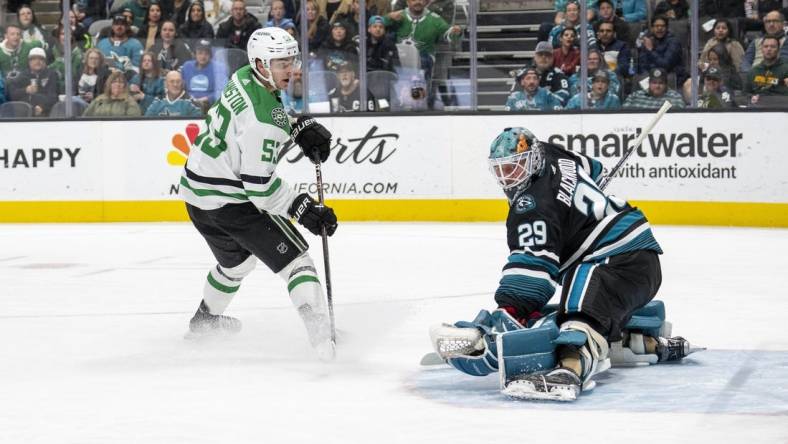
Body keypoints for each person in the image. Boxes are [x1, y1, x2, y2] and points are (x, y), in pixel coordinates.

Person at [429, 127, 693, 401]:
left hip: (615, 260)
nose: (509, 177)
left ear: (532, 159)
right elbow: (596, 169)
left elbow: (532, 275)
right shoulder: (552, 152)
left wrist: (510, 310)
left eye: (515, 168)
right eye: (502, 170)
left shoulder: (532, 206)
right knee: (577, 305)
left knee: (577, 312)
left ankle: (570, 370)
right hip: (638, 260)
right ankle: (640, 343)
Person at [179, 27, 339, 360]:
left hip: (196, 197)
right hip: (230, 202)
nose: (290, 69)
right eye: (281, 63)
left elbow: (261, 113)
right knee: (298, 263)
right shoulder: (265, 122)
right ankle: (323, 339)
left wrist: (297, 126)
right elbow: (260, 189)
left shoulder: (242, 76)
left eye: (291, 61)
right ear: (261, 64)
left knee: (236, 264)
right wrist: (303, 208)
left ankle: (205, 321)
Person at [384, 0, 463, 107]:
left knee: (422, 65)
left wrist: (456, 32)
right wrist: (388, 18)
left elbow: (447, 33)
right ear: (407, 2)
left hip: (423, 64)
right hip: (400, 63)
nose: (418, 2)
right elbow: (377, 26)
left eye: (421, 0)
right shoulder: (399, 16)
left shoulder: (434, 19)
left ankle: (421, 105)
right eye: (414, 0)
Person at [7, 47, 58, 116]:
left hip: (46, 114)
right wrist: (26, 90)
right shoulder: (23, 75)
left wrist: (42, 107)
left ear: (45, 62)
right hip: (24, 115)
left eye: (41, 59)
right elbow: (12, 95)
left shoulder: (51, 74)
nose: (37, 61)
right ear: (29, 62)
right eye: (34, 59)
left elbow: (53, 96)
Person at [181, 39, 229, 110]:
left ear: (210, 55)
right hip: (188, 103)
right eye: (200, 53)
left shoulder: (219, 68)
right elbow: (181, 87)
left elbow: (223, 90)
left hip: (211, 105)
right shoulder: (187, 66)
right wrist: (189, 99)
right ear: (195, 54)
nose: (203, 56)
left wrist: (206, 99)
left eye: (206, 54)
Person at [636, 16, 685, 82]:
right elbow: (642, 64)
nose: (659, 28)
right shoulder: (648, 40)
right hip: (650, 79)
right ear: (652, 28)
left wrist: (651, 51)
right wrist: (646, 77)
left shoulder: (674, 42)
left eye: (663, 26)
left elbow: (665, 65)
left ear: (667, 28)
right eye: (656, 26)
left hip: (669, 79)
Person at [746, 35, 788, 103]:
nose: (769, 49)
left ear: (778, 49)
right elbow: (745, 95)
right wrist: (751, 97)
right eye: (766, 46)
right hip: (758, 108)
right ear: (761, 49)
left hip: (781, 107)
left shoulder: (786, 69)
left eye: (772, 46)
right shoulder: (753, 72)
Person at [530, 41, 570, 106]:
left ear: (552, 58)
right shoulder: (524, 75)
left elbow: (563, 98)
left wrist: (544, 94)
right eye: (540, 54)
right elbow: (514, 98)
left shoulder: (559, 75)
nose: (544, 57)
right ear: (534, 57)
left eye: (547, 55)